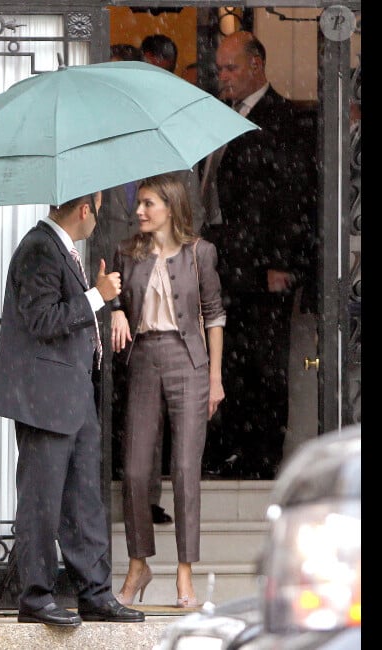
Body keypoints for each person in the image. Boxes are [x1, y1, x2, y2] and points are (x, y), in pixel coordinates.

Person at [0, 192, 145, 627]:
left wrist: (96, 296)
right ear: (83, 210)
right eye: (97, 209)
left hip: (71, 392)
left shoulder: (64, 250)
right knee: (42, 500)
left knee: (83, 500)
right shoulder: (38, 248)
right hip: (43, 396)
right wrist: (97, 296)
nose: (100, 219)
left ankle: (95, 594)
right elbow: (42, 320)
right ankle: (35, 597)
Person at [200, 31, 316, 479]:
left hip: (261, 266)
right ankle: (231, 448)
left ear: (256, 66)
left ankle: (261, 455)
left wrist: (281, 263)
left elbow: (293, 197)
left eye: (230, 68)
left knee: (264, 362)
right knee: (229, 358)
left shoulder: (283, 118)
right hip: (226, 264)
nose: (223, 77)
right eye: (220, 69)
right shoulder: (223, 116)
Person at [110, 173, 225, 608]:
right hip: (143, 362)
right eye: (138, 203)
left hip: (189, 363)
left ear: (171, 207)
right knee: (136, 470)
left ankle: (184, 573)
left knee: (183, 470)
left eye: (147, 203)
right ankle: (139, 564)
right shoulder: (125, 252)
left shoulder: (201, 253)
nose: (139, 211)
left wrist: (215, 378)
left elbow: (214, 315)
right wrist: (116, 311)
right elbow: (108, 295)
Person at [104, 40, 206, 524]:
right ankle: (106, 492)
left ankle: (147, 500)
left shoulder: (175, 159)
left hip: (159, 302)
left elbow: (193, 228)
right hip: (104, 297)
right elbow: (88, 234)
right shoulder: (98, 156)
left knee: (157, 409)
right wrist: (108, 300)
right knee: (108, 402)